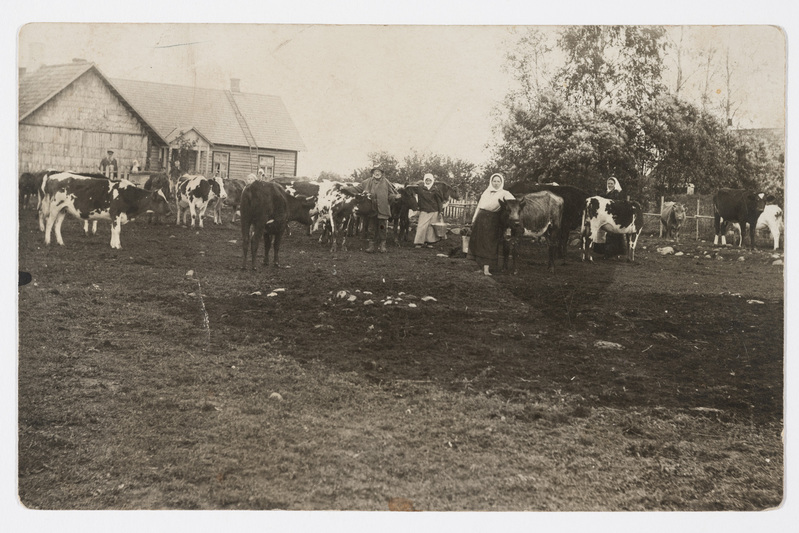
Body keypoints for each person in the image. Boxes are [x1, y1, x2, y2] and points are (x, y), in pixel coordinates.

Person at [468, 173, 515, 276]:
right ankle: (480, 267)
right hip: (481, 219)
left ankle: (487, 269)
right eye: (494, 181)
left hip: (492, 220)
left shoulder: (505, 193)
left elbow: (514, 204)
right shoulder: (486, 192)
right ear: (491, 182)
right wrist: (474, 218)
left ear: (501, 182)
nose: (496, 183)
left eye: (498, 181)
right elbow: (479, 206)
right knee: (479, 242)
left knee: (489, 243)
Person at [354, 166, 399, 253]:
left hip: (382, 209)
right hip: (371, 209)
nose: (377, 173)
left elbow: (391, 194)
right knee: (371, 228)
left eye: (379, 172)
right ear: (373, 173)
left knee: (382, 227)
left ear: (382, 173)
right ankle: (371, 246)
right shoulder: (367, 182)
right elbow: (357, 188)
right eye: (375, 172)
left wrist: (395, 197)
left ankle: (382, 246)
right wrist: (344, 189)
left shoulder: (386, 182)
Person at [413, 173, 445, 248]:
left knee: (431, 227)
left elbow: (439, 201)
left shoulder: (435, 190)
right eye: (426, 180)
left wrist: (440, 211)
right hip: (424, 209)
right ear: (424, 180)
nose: (428, 182)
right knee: (421, 226)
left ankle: (429, 242)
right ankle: (419, 242)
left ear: (432, 181)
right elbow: (416, 195)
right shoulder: (420, 189)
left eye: (429, 180)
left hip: (434, 210)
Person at [595, 176, 625, 257]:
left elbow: (619, 204)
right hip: (606, 215)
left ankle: (613, 253)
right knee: (602, 232)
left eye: (611, 184)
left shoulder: (617, 193)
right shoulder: (606, 193)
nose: (610, 185)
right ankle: (604, 252)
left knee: (613, 234)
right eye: (608, 183)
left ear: (615, 184)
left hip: (614, 215)